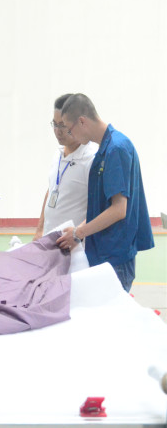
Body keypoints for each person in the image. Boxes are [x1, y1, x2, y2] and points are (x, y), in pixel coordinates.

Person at [56, 94, 154, 292]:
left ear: (82, 121)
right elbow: (102, 207)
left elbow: (119, 210)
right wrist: (78, 230)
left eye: (69, 129)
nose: (69, 135)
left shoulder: (116, 149)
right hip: (104, 252)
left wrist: (78, 233)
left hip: (115, 257)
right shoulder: (105, 149)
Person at [33, 94, 97, 240]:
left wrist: (78, 234)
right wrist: (40, 230)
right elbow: (52, 190)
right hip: (50, 240)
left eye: (63, 125)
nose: (58, 131)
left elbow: (99, 208)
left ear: (79, 123)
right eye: (55, 124)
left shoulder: (91, 158)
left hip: (75, 244)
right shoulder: (58, 153)